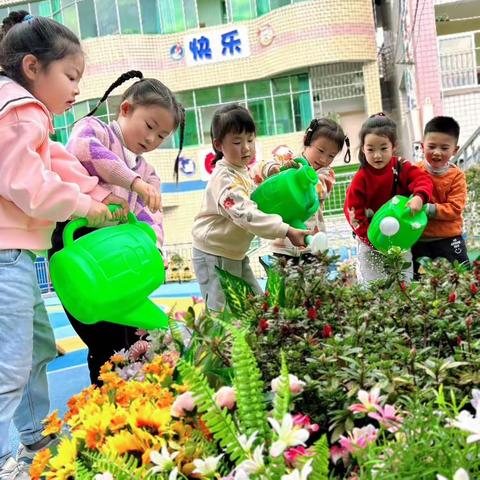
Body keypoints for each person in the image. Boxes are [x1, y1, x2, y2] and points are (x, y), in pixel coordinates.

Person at [0, 11, 115, 479]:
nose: (76, 89)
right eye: (70, 76)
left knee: (36, 348)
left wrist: (102, 198)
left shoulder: (33, 117)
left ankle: (34, 434)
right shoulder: (18, 111)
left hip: (16, 254)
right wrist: (84, 207)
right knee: (9, 363)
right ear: (32, 67)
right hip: (5, 255)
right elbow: (26, 181)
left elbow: (61, 163)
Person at [49, 70, 185, 385]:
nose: (152, 139)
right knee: (105, 340)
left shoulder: (148, 173)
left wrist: (156, 250)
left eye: (162, 135)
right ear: (125, 109)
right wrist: (132, 182)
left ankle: (140, 405)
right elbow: (88, 154)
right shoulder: (92, 130)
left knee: (137, 336)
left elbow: (151, 220)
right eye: (150, 126)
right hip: (83, 250)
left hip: (121, 263)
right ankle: (109, 407)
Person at [192, 104, 310, 311]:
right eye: (237, 142)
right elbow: (246, 214)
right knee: (222, 314)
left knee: (257, 306)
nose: (246, 148)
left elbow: (262, 184)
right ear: (219, 145)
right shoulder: (224, 179)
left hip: (234, 254)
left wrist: (280, 174)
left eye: (250, 139)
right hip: (213, 255)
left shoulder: (241, 171)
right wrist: (286, 230)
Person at [344, 113, 433, 283]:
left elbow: (423, 180)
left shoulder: (401, 166)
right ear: (363, 149)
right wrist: (372, 241)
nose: (377, 155)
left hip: (400, 238)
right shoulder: (360, 178)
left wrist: (419, 197)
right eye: (370, 149)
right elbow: (354, 213)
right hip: (371, 240)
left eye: (383, 148)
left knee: (402, 281)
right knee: (374, 285)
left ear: (394, 147)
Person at [252, 118, 350, 263]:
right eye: (321, 150)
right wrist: (274, 169)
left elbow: (318, 189)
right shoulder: (288, 160)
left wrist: (299, 176)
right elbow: (256, 169)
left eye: (331, 155)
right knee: (282, 284)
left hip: (311, 242)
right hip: (283, 244)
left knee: (314, 283)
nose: (324, 159)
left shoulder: (327, 174)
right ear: (307, 140)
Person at [412, 116, 469, 276]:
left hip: (449, 239)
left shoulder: (456, 176)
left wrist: (428, 209)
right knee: (423, 286)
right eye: (431, 146)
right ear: (423, 146)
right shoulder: (414, 171)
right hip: (419, 240)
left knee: (460, 280)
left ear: (455, 150)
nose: (437, 152)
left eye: (444, 148)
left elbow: (455, 208)